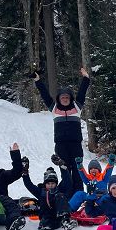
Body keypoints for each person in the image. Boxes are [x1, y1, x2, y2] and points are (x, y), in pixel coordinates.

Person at [32, 67, 90, 195]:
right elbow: (45, 94)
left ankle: (79, 197)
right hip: (61, 146)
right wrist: (38, 81)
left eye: (67, 97)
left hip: (75, 146)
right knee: (65, 172)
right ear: (59, 98)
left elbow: (82, 92)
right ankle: (66, 197)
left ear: (70, 98)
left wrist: (86, 78)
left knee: (78, 172)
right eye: (62, 97)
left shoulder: (77, 107)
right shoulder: (54, 108)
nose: (65, 99)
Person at [22, 160, 76, 230]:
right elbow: (29, 185)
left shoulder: (59, 190)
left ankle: (65, 221)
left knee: (60, 196)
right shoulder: (41, 192)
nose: (50, 185)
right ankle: (47, 225)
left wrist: (62, 166)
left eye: (53, 183)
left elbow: (67, 181)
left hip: (59, 215)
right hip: (47, 217)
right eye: (48, 184)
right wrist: (25, 173)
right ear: (45, 184)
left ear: (56, 184)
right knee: (46, 223)